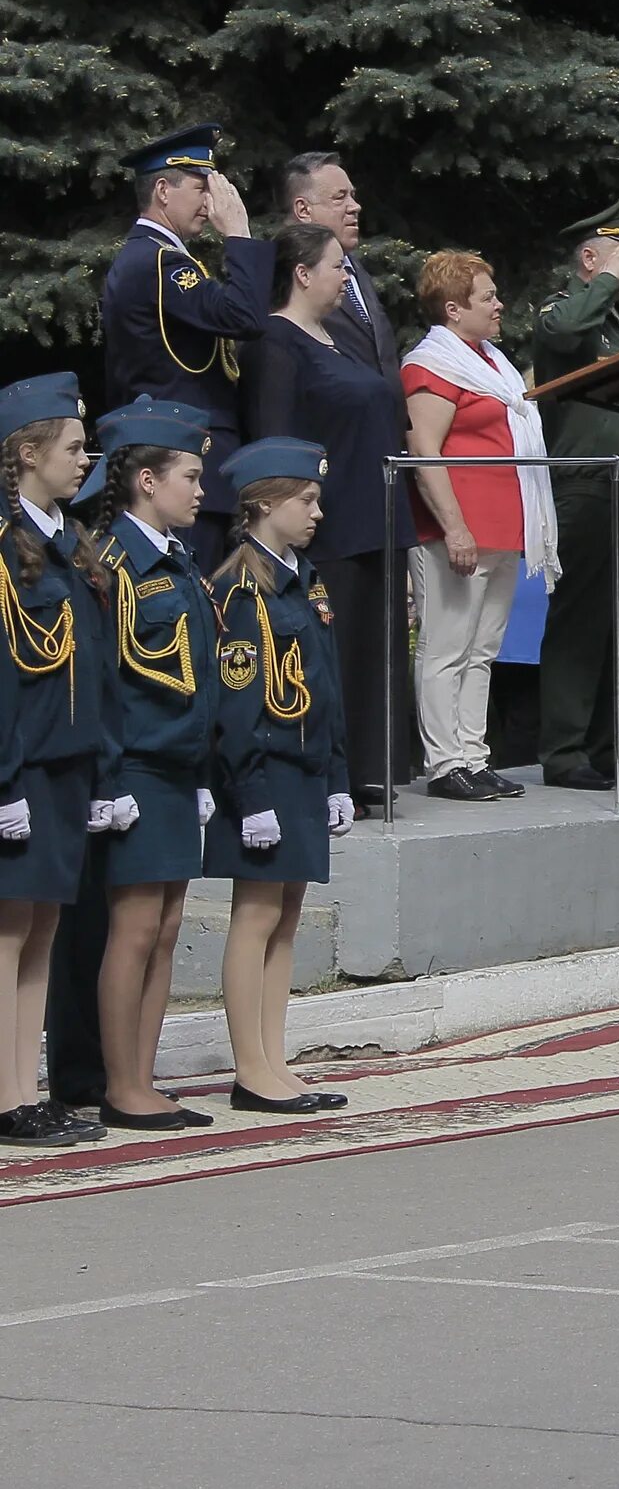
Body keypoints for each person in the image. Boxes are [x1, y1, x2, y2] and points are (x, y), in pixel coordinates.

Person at [81, 404, 222, 1131]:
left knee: (167, 928)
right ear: (145, 479)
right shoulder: (112, 563)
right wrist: (108, 782)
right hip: (135, 768)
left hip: (174, 768)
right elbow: (104, 683)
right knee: (134, 929)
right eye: (189, 476)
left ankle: (144, 1073)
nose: (201, 489)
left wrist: (199, 771)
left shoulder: (177, 560)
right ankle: (120, 1083)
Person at [206, 438, 353, 1113]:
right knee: (257, 914)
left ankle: (274, 1059)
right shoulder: (240, 588)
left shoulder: (305, 576)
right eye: (305, 498)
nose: (316, 510)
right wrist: (251, 795)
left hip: (303, 770)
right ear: (265, 504)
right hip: (263, 775)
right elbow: (235, 707)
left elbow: (327, 687)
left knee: (287, 917)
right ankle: (250, 1069)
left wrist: (339, 776)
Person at [246, 222, 406, 809]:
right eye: (337, 265)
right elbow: (274, 432)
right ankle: (326, 771)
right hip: (326, 521)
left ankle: (367, 767)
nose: (347, 274)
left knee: (373, 650)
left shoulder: (338, 337)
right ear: (302, 273)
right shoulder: (277, 340)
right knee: (333, 651)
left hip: (372, 514)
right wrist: (291, 511)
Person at [0, 377, 112, 1149]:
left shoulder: (70, 544)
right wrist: (3, 781)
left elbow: (94, 669)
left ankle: (26, 1090)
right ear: (27, 453)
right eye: (72, 448)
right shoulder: (9, 552)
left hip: (69, 766)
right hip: (25, 768)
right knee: (8, 935)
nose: (84, 460)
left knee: (41, 931)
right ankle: (5, 1097)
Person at [402, 251, 557, 802]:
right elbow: (424, 448)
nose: (499, 305)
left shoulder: (492, 362)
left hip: (504, 527)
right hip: (456, 530)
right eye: (487, 298)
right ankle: (445, 763)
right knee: (445, 647)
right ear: (452, 309)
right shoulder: (431, 365)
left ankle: (473, 754)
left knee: (482, 648)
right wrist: (454, 527)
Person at [99, 125, 275, 560]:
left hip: (174, 457)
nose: (210, 202)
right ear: (163, 190)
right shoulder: (161, 261)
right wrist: (238, 233)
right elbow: (245, 317)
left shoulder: (149, 258)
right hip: (184, 459)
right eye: (200, 188)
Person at [530, 199, 619, 791]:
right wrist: (603, 282)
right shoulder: (566, 308)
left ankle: (609, 745)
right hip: (586, 481)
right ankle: (564, 748)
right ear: (589, 256)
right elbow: (563, 334)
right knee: (581, 620)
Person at [281, 152, 395, 371]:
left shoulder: (354, 267)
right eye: (339, 197)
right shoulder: (279, 276)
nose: (355, 206)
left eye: (352, 195)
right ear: (303, 210)